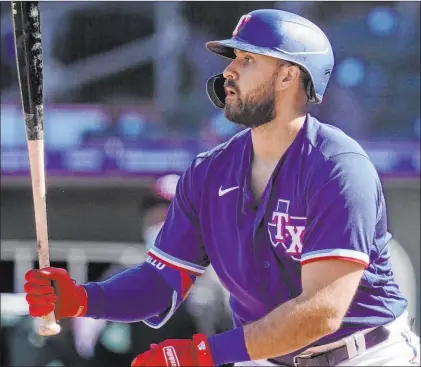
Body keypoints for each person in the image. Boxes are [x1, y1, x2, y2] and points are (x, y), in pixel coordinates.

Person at [23, 9, 419, 367]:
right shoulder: (208, 173)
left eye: (248, 60)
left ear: (288, 75)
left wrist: (204, 355)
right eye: (233, 59)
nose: (229, 71)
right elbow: (161, 282)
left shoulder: (338, 167)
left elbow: (321, 312)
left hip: (366, 354)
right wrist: (83, 299)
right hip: (264, 357)